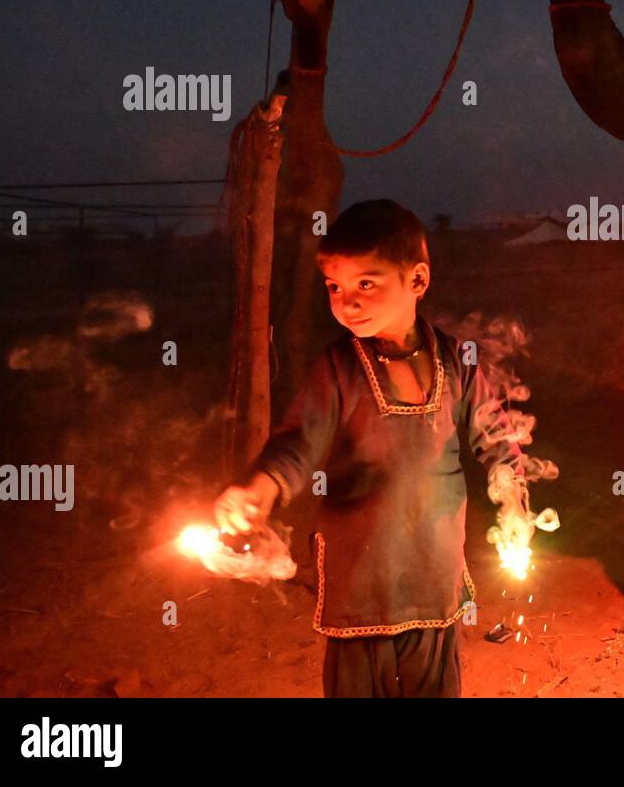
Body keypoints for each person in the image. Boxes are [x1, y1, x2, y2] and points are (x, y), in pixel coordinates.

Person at [214, 199, 524, 697]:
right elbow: (299, 439)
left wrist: (512, 494)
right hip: (361, 577)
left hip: (433, 571)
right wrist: (264, 484)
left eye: (366, 283)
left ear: (417, 281)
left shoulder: (455, 360)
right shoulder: (337, 368)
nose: (346, 302)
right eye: (334, 287)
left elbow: (495, 433)